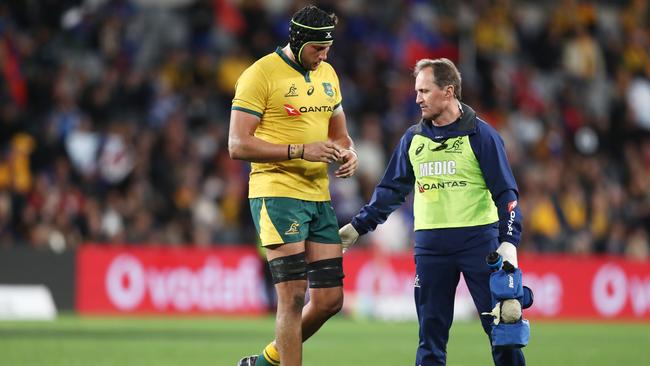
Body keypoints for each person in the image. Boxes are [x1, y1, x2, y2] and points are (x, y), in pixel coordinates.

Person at [339, 58, 526, 366]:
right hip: (430, 249)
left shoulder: (482, 136)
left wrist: (508, 242)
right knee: (430, 339)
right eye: (417, 91)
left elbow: (506, 194)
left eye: (425, 91)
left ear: (448, 92)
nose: (417, 98)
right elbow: (390, 192)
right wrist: (358, 227)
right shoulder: (413, 139)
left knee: (504, 332)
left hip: (479, 244)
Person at [228, 5, 357, 366]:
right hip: (277, 193)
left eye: (327, 48)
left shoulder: (329, 73)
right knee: (293, 295)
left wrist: (349, 153)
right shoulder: (259, 75)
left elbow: (340, 134)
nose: (324, 56)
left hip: (318, 196)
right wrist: (300, 150)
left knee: (331, 299)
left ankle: (266, 361)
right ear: (297, 40)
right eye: (317, 49)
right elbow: (237, 145)